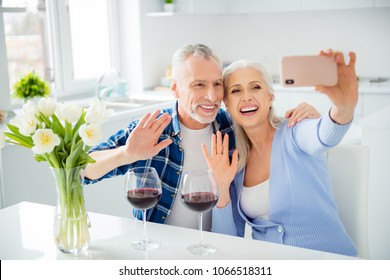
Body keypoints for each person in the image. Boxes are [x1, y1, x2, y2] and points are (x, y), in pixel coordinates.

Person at [84, 43, 319, 231]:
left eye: (217, 84)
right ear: (175, 88)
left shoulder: (231, 126)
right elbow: (82, 170)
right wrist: (126, 154)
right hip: (155, 249)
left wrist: (307, 116)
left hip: (213, 248)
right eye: (199, 84)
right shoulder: (152, 130)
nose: (211, 96)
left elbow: (269, 127)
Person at [202, 49, 358, 256]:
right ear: (227, 104)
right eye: (236, 91)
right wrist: (221, 188)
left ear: (270, 97)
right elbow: (228, 241)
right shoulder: (234, 163)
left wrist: (343, 108)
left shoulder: (295, 130)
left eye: (255, 87)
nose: (247, 97)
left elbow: (323, 135)